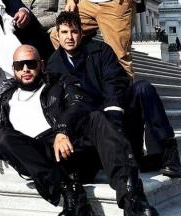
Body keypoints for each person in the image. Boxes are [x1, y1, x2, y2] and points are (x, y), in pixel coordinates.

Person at [0, 45, 162, 216]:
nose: (25, 69)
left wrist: (62, 130)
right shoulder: (6, 97)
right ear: (14, 69)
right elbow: (7, 131)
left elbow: (78, 103)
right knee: (3, 140)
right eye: (20, 65)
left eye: (31, 63)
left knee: (97, 118)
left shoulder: (59, 82)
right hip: (40, 155)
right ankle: (70, 193)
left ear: (41, 65)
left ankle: (133, 200)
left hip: (68, 148)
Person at [47, 11, 181, 178]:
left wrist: (113, 110)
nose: (69, 37)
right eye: (64, 32)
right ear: (57, 35)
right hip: (88, 124)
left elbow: (115, 81)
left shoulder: (101, 50)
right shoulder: (53, 64)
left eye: (74, 31)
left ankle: (168, 153)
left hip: (116, 112)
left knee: (143, 88)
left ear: (81, 33)